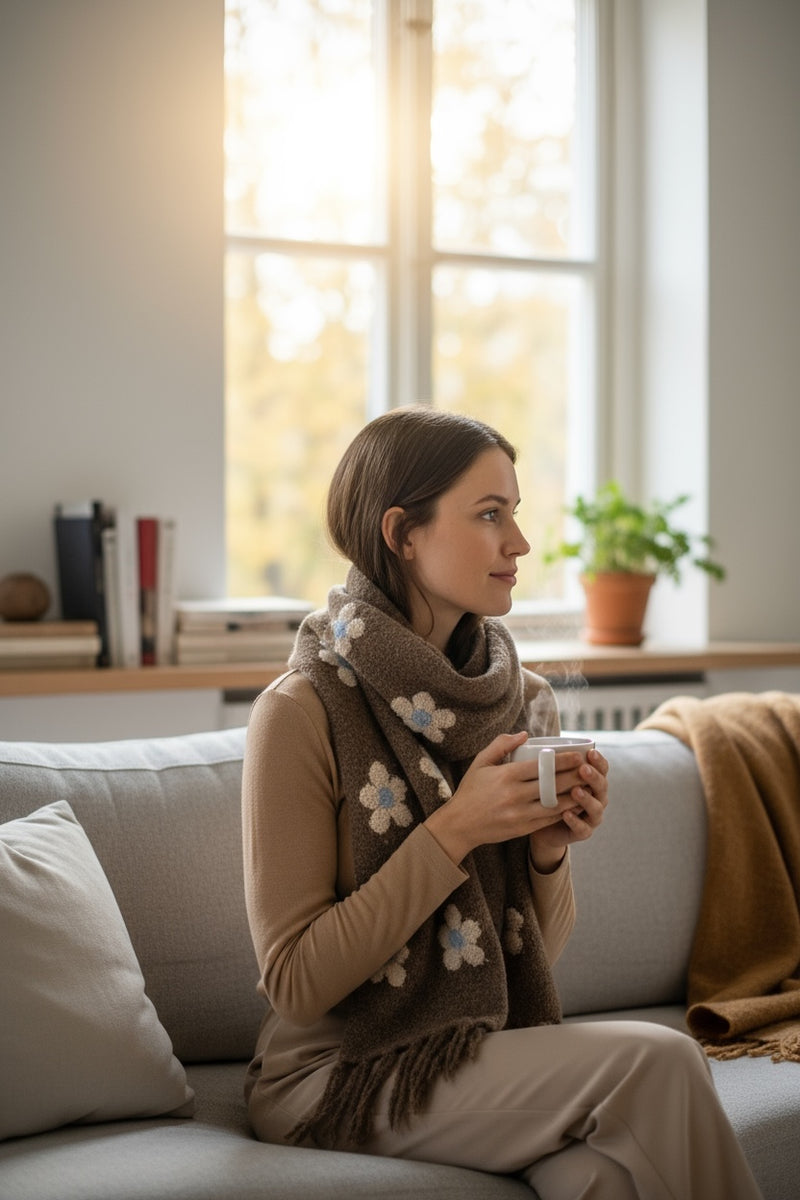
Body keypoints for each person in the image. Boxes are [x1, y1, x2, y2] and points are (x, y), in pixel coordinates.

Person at [242, 406, 763, 1198]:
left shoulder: (522, 701)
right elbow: (297, 985)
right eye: (490, 515)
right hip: (334, 1072)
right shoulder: (302, 711)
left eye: (515, 514)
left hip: (478, 1045)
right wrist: (457, 830)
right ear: (401, 533)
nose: (519, 543)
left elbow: (529, 961)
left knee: (602, 1179)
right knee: (658, 1058)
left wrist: (548, 853)